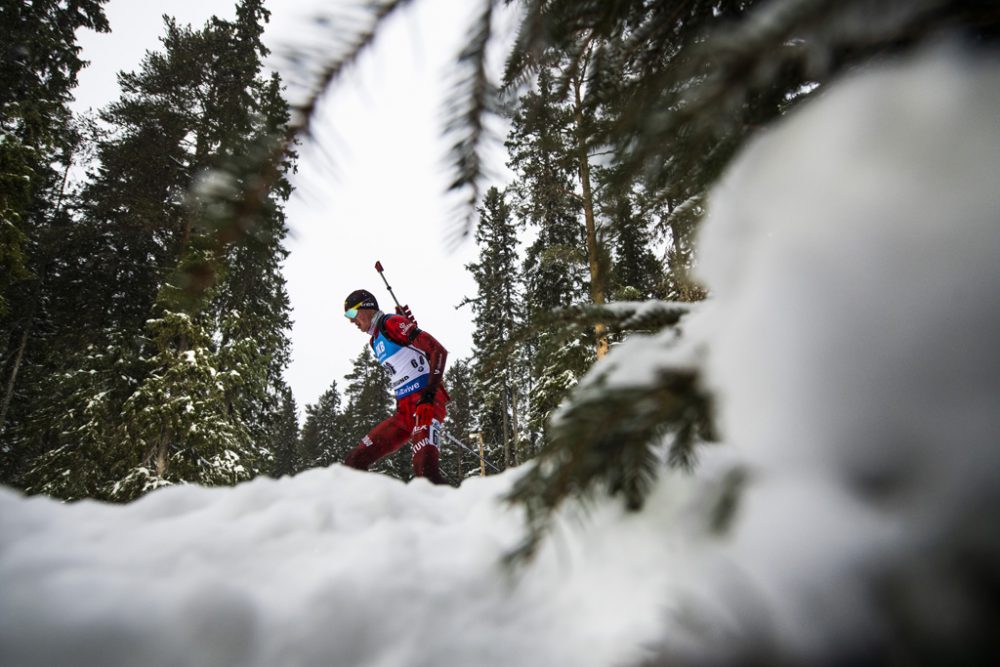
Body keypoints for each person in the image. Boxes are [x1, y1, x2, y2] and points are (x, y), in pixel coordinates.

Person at [341, 289, 449, 484]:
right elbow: (411, 353)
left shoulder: (389, 323)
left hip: (426, 404)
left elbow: (438, 351)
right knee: (354, 462)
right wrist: (408, 329)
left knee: (424, 470)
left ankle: (456, 512)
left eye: (351, 314)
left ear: (367, 307)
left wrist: (428, 397)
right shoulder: (374, 342)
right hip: (404, 413)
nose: (350, 321)